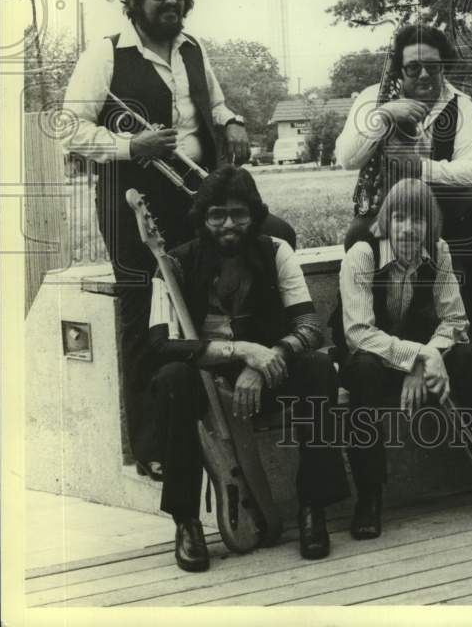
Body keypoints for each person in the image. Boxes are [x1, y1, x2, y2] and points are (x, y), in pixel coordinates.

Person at [62, 0, 294, 478]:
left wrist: (232, 121)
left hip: (198, 198)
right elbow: (68, 128)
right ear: (135, 2)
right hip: (134, 205)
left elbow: (213, 105)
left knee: (274, 240)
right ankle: (154, 446)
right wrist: (131, 145)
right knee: (144, 313)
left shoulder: (193, 48)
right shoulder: (105, 54)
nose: (171, 2)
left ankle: (255, 389)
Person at [147, 166, 349, 571]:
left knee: (318, 369)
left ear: (253, 215)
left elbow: (309, 327)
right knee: (171, 378)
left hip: (268, 373)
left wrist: (265, 360)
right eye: (217, 215)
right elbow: (159, 344)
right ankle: (186, 522)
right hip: (206, 383)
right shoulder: (174, 263)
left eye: (238, 214)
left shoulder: (276, 251)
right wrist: (241, 351)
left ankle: (313, 508)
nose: (228, 225)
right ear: (203, 218)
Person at [335, 178, 472, 541]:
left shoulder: (438, 251)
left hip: (419, 354)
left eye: (419, 219)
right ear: (386, 221)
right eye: (399, 218)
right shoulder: (362, 254)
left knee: (470, 359)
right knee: (363, 371)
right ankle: (369, 498)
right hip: (369, 357)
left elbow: (455, 320)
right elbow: (359, 333)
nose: (408, 228)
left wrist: (425, 359)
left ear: (431, 224)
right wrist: (421, 355)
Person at [335, 23, 472, 339]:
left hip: (441, 201)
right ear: (399, 70)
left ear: (444, 66)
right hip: (388, 203)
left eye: (433, 66)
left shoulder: (461, 104)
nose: (424, 75)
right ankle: (378, 334)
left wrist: (418, 168)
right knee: (359, 235)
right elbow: (347, 158)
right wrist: (384, 115)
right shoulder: (374, 97)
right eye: (413, 68)